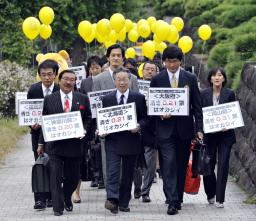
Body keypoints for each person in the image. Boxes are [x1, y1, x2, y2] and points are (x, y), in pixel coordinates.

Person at [150, 45, 203, 215]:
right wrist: (160, 115)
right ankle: (171, 200)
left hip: (185, 129)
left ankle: (178, 197)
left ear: (180, 61)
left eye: (175, 61)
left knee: (180, 165)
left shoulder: (190, 78)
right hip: (165, 130)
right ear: (164, 61)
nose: (172, 65)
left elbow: (197, 106)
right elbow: (153, 105)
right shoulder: (157, 79)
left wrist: (199, 129)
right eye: (168, 61)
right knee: (169, 164)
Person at [37, 70, 92, 216]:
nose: (69, 82)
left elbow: (88, 118)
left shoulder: (83, 98)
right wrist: (41, 143)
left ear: (75, 82)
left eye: (72, 80)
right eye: (66, 79)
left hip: (74, 145)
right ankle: (57, 207)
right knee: (54, 177)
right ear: (59, 81)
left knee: (73, 178)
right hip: (55, 145)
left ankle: (66, 196)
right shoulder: (49, 99)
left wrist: (84, 131)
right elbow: (45, 121)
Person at [92, 44, 139, 185]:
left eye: (119, 55)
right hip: (108, 131)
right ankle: (111, 195)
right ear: (108, 58)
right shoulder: (98, 79)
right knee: (109, 166)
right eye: (113, 55)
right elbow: (96, 106)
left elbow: (137, 103)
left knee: (126, 167)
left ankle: (125, 193)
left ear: (123, 59)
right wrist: (99, 127)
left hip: (128, 130)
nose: (116, 58)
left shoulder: (133, 78)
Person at [102, 67, 147, 214]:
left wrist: (139, 126)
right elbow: (103, 119)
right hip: (112, 140)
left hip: (131, 140)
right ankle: (112, 200)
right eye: (119, 79)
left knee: (128, 174)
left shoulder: (138, 97)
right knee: (113, 171)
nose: (122, 82)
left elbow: (146, 118)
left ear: (130, 80)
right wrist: (101, 130)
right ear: (114, 81)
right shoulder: (107, 99)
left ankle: (124, 202)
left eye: (124, 79)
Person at [201, 67, 236, 208]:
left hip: (225, 135)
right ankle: (211, 193)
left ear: (223, 78)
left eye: (220, 75)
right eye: (214, 75)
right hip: (209, 135)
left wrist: (230, 124)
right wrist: (199, 130)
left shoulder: (229, 94)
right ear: (210, 78)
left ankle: (220, 198)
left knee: (223, 165)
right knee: (208, 165)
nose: (217, 77)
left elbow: (234, 112)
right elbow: (199, 113)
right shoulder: (203, 94)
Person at [27, 59, 59, 210]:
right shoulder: (33, 90)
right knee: (39, 165)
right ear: (39, 75)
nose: (47, 78)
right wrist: (31, 124)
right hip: (37, 134)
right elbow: (26, 112)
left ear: (55, 75)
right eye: (43, 74)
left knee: (54, 166)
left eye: (50, 74)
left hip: (55, 134)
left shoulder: (60, 89)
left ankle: (53, 197)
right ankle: (39, 199)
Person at [72, 56, 104, 204]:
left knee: (101, 148)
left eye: (97, 67)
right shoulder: (85, 83)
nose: (95, 69)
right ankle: (95, 175)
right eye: (92, 67)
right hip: (90, 119)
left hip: (103, 117)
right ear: (88, 69)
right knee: (92, 149)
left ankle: (101, 176)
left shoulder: (105, 79)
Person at [133, 61, 159, 202]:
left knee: (150, 163)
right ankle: (137, 187)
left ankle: (145, 191)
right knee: (135, 162)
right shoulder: (135, 86)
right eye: (147, 69)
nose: (150, 72)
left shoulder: (161, 86)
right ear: (141, 72)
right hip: (135, 128)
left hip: (152, 129)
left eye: (152, 69)